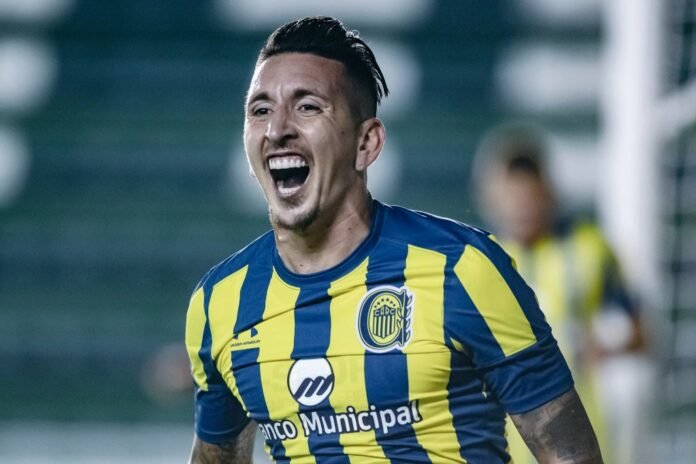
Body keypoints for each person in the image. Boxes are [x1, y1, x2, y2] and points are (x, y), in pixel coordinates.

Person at [184, 17, 603, 463]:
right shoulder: (220, 302)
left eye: (307, 107)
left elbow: (571, 456)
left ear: (366, 143)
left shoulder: (462, 269)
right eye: (260, 110)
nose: (277, 129)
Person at [474, 123, 645, 464]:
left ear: (547, 191)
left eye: (528, 195)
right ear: (492, 197)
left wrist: (605, 347)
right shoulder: (479, 261)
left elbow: (641, 333)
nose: (521, 207)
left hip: (581, 440)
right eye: (512, 196)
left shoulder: (589, 249)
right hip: (503, 446)